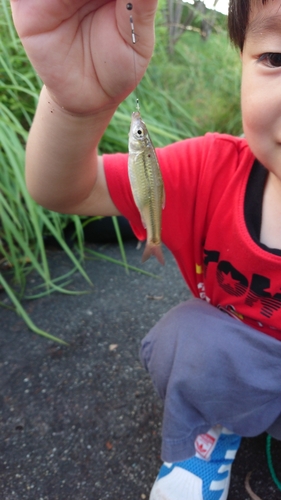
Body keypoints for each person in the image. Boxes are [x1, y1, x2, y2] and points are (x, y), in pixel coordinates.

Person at [9, 0, 281, 498]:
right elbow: (64, 189)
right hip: (239, 365)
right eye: (277, 58)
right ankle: (209, 425)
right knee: (188, 334)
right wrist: (76, 104)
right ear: (240, 61)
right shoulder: (207, 171)